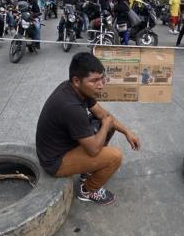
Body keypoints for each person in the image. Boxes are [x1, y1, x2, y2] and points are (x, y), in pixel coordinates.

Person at [35, 52, 141, 205]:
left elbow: (103, 114)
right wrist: (106, 124)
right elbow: (93, 149)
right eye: (95, 80)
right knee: (115, 157)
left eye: (101, 78)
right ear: (77, 80)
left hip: (65, 144)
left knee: (107, 125)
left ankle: (87, 169)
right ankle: (88, 190)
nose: (101, 85)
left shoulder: (77, 88)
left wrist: (127, 131)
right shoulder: (70, 106)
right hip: (55, 162)